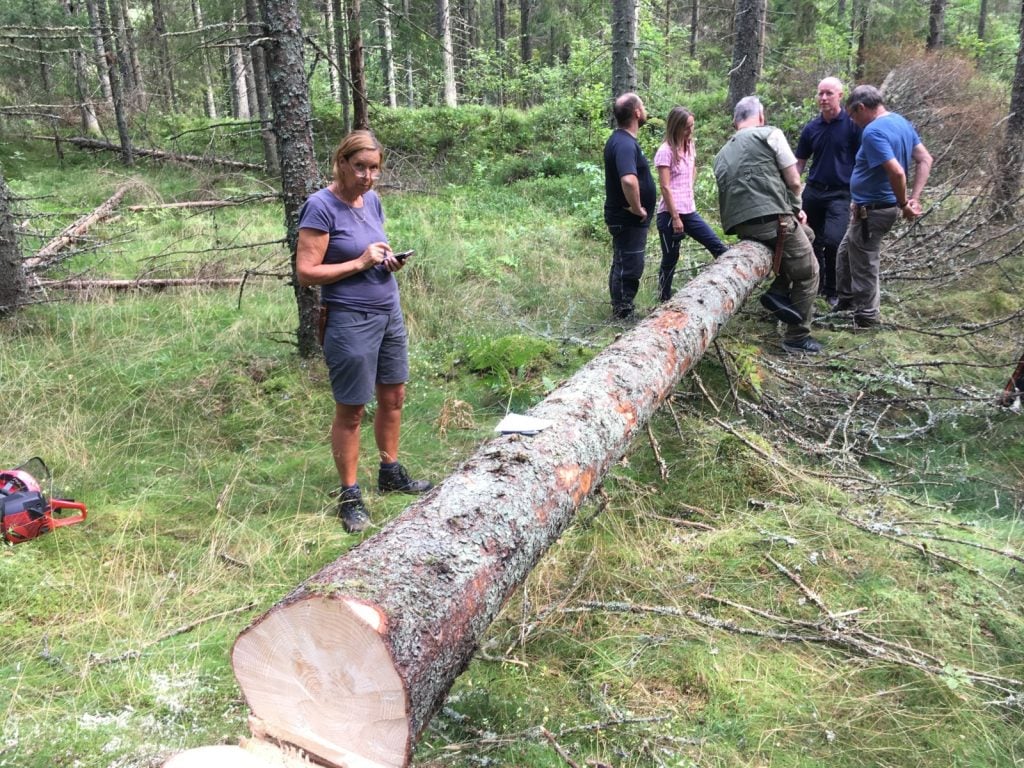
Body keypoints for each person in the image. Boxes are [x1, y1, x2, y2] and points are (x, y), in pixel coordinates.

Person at [296, 130, 432, 533]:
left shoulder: (371, 200)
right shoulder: (320, 207)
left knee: (394, 396)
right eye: (361, 168)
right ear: (342, 163)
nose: (369, 177)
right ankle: (350, 494)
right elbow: (306, 273)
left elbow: (372, 247)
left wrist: (386, 260)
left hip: (388, 311)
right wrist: (358, 263)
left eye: (374, 169)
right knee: (352, 408)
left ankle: (390, 470)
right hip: (349, 318)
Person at [713, 96, 822, 355]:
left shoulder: (721, 154)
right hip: (773, 222)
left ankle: (779, 290)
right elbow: (794, 180)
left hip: (742, 225)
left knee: (808, 234)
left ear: (734, 122)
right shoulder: (769, 134)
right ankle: (797, 336)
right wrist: (796, 208)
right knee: (809, 272)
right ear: (761, 116)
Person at [836, 84, 933, 328]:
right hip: (865, 209)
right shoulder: (901, 122)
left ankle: (867, 318)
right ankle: (845, 303)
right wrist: (915, 197)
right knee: (846, 253)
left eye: (852, 115)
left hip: (875, 210)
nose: (853, 121)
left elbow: (897, 172)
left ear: (861, 107)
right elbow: (925, 159)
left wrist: (905, 203)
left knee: (865, 264)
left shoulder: (873, 132)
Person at [795, 77, 861, 308]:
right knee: (809, 240)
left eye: (829, 93)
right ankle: (816, 285)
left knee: (834, 242)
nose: (823, 98)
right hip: (813, 192)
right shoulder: (812, 128)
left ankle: (833, 291)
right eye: (820, 93)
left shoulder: (853, 126)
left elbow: (862, 160)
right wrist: (792, 189)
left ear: (840, 95)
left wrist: (861, 194)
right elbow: (800, 162)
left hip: (840, 194)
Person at [654, 106, 728, 302]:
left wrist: (688, 189)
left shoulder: (690, 145)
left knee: (717, 247)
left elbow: (692, 169)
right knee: (670, 258)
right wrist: (676, 217)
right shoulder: (665, 151)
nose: (690, 131)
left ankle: (725, 289)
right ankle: (664, 299)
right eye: (686, 127)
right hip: (670, 215)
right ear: (676, 127)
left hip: (690, 211)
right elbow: (665, 187)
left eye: (692, 126)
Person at [603, 92, 657, 319]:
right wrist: (637, 208)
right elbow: (628, 179)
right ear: (636, 113)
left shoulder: (621, 140)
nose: (645, 110)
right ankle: (624, 312)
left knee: (622, 261)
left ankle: (620, 307)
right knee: (630, 264)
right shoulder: (624, 143)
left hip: (624, 218)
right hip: (628, 218)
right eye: (642, 106)